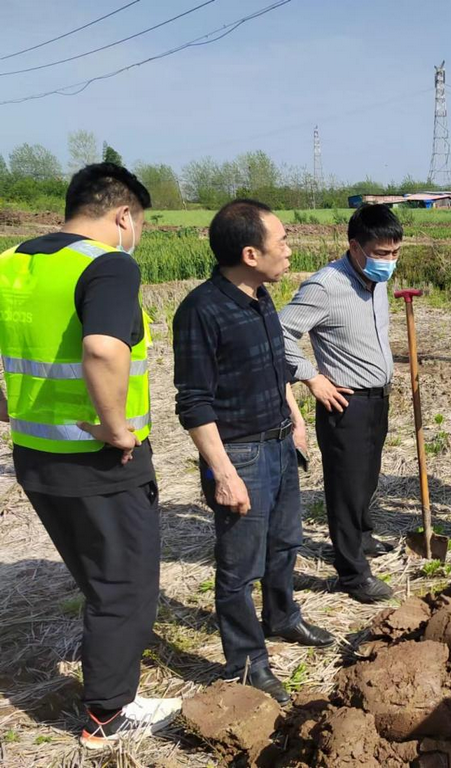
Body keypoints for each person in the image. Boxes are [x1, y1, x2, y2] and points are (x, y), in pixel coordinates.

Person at [0, 163, 180, 748]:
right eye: (140, 222)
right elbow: (103, 349)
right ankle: (108, 715)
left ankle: (113, 688)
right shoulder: (107, 264)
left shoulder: (11, 263)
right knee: (125, 586)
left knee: (101, 580)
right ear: (123, 214)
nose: (138, 234)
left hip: (35, 455)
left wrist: (6, 405)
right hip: (101, 461)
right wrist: (117, 429)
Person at [172, 199, 333, 705]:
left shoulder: (260, 297)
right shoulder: (201, 311)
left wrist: (295, 419)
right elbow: (193, 401)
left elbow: (275, 366)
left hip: (280, 442)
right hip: (240, 455)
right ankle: (247, 663)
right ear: (249, 253)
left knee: (285, 543)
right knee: (239, 569)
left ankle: (282, 617)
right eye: (281, 241)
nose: (289, 250)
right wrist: (223, 473)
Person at [278, 204, 402, 603]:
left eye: (395, 252)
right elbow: (278, 333)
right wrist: (311, 377)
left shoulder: (375, 281)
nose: (389, 261)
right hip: (345, 402)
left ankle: (362, 537)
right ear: (355, 247)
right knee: (345, 487)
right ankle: (352, 573)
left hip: (377, 398)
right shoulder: (325, 286)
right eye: (381, 253)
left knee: (366, 477)